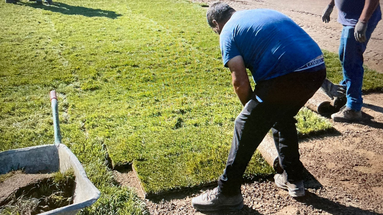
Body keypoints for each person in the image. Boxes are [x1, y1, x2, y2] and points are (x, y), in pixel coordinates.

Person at [191, 2, 327, 212]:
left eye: (214, 30)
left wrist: (253, 114)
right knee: (282, 117)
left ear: (215, 23)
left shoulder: (228, 31)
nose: (217, 33)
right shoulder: (260, 13)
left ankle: (227, 193)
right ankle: (294, 180)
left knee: (244, 123)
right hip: (316, 69)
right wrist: (262, 113)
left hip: (287, 75)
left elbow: (240, 83)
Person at [322, 0, 381, 122]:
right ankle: (345, 92)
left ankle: (353, 108)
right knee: (344, 55)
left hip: (359, 19)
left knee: (351, 60)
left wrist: (363, 21)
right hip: (349, 19)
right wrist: (330, 5)